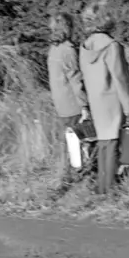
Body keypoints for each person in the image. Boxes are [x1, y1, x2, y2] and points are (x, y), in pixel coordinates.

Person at [78, 0, 129, 197]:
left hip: (95, 99)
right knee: (112, 143)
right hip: (112, 98)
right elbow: (121, 79)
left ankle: (102, 185)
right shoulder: (112, 46)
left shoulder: (84, 47)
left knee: (103, 142)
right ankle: (109, 188)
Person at [46, 12, 89, 180]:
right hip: (73, 104)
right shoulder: (68, 50)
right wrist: (84, 105)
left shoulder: (53, 50)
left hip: (60, 102)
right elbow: (75, 81)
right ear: (68, 28)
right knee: (79, 141)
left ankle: (67, 173)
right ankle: (79, 174)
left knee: (68, 140)